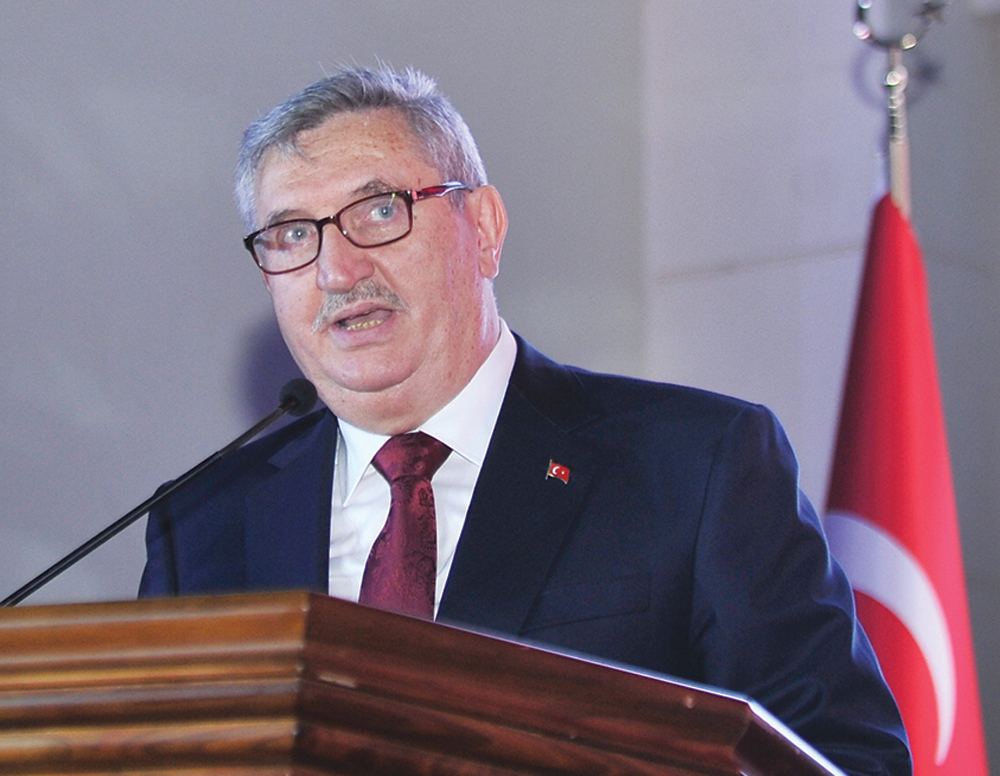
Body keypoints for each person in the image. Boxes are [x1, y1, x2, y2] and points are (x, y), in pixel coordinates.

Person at [140, 64, 911, 776]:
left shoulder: (695, 467)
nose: (338, 270)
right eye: (293, 235)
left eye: (380, 211)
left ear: (483, 226)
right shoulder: (203, 524)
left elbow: (846, 759)